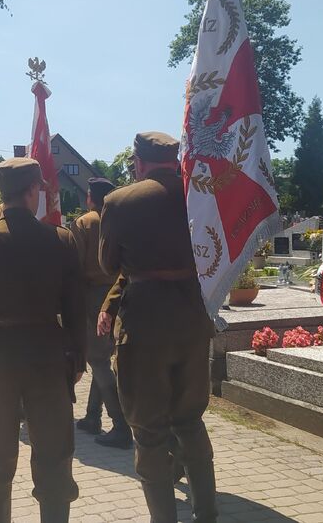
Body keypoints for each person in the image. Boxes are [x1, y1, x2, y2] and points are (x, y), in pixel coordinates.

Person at [0, 157, 86, 523]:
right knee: (54, 450)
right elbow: (76, 310)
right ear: (31, 191)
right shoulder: (61, 240)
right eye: (40, 187)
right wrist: (77, 360)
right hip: (48, 352)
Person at [97, 132, 217, 522]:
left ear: (139, 161)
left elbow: (108, 264)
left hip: (145, 323)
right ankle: (208, 513)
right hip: (193, 317)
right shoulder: (201, 196)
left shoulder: (119, 201)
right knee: (190, 420)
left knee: (148, 431)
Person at [71, 177, 132, 449]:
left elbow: (73, 265)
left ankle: (120, 424)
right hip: (119, 294)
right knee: (102, 357)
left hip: (92, 296)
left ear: (90, 197)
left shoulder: (84, 223)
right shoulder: (123, 219)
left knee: (97, 360)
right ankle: (92, 416)